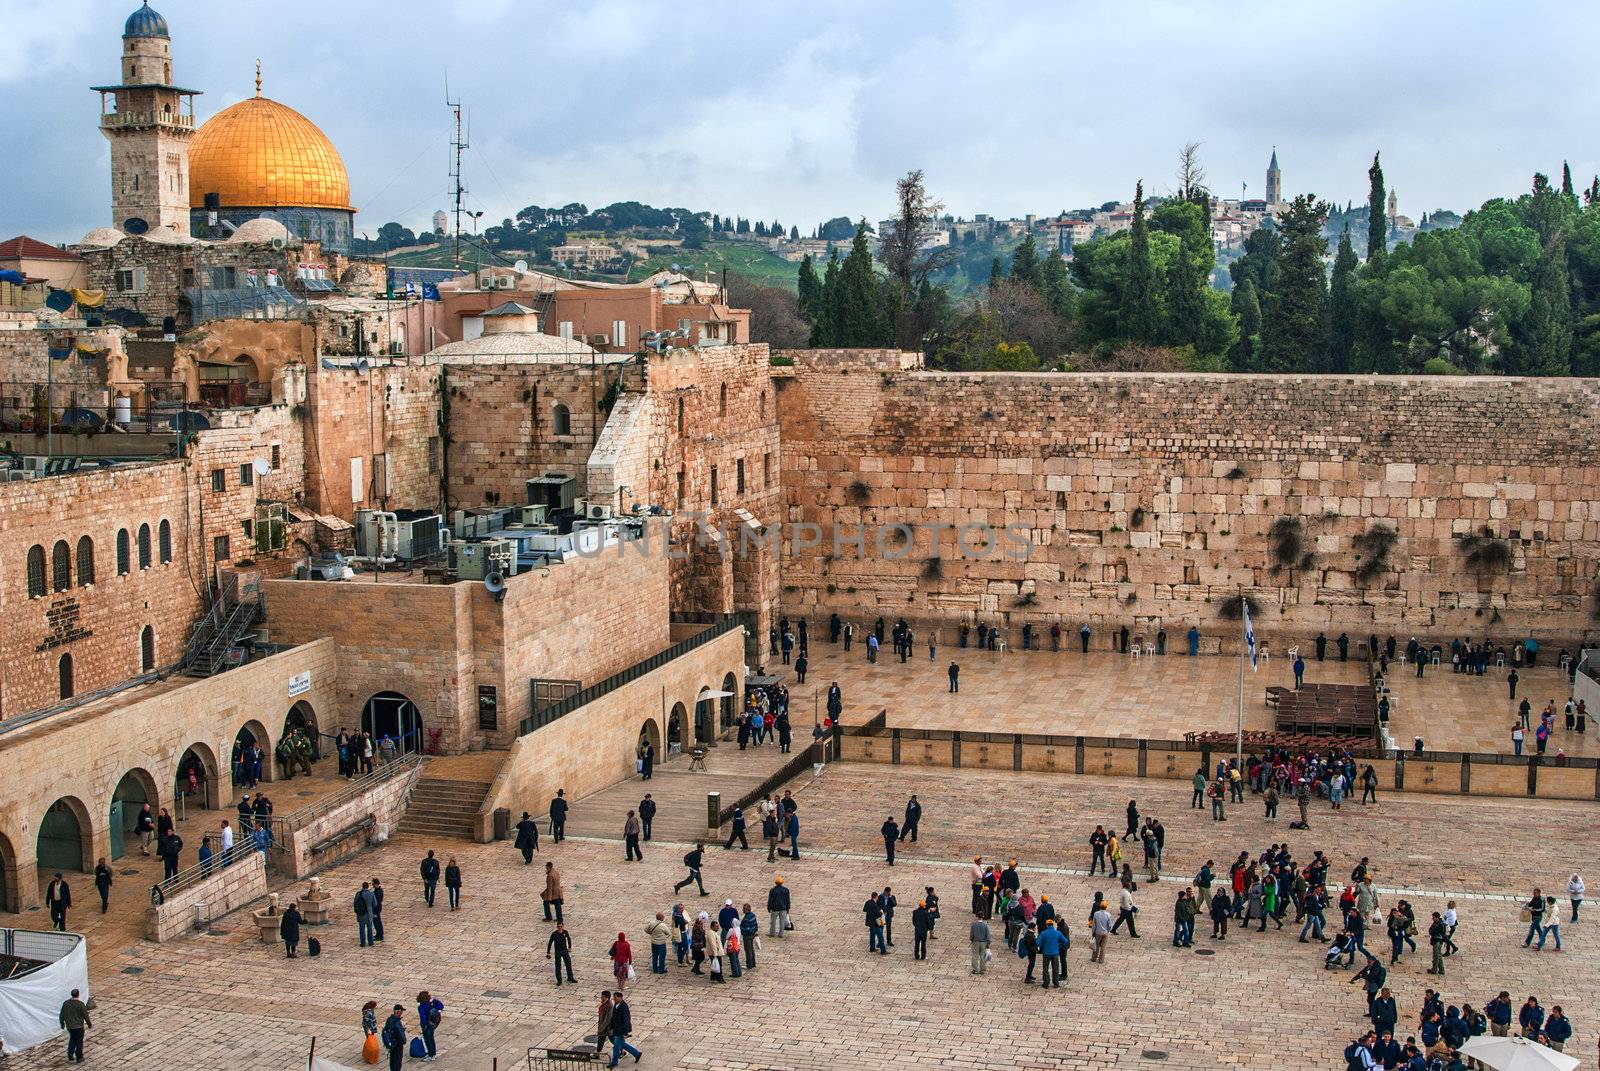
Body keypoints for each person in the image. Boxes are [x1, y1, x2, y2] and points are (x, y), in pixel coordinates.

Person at [607, 992, 641, 1067]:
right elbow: (614, 1017)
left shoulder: (623, 1007)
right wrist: (611, 1026)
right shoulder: (616, 1005)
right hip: (616, 1029)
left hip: (621, 1030)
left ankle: (614, 1062)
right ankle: (637, 1053)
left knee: (616, 1047)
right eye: (614, 998)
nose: (614, 999)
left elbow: (626, 1020)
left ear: (620, 998)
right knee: (622, 1044)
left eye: (615, 998)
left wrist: (625, 1033)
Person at [59, 988, 91, 1064]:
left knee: (72, 1039)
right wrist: (89, 1024)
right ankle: (79, 1057)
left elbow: (61, 1015)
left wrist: (62, 1024)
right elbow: (85, 1016)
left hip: (70, 1026)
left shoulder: (66, 1003)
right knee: (79, 1041)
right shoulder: (80, 1004)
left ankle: (70, 1054)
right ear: (78, 994)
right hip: (79, 1027)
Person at [1037, 918, 1067, 988]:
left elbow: (1038, 943)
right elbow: (1065, 941)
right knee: (1055, 969)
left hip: (1046, 953)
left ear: (1047, 925)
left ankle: (1046, 983)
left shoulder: (1043, 933)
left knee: (1045, 969)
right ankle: (1056, 983)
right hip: (1055, 953)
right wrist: (1058, 945)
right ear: (1053, 925)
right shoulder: (1058, 933)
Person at [415, 991, 443, 1063]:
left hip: (427, 1026)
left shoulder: (421, 1007)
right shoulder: (431, 1004)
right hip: (433, 1024)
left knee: (428, 1040)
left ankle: (431, 1055)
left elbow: (423, 1017)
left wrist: (424, 1026)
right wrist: (433, 1000)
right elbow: (440, 1005)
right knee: (431, 1039)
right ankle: (433, 1054)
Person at [381, 1004, 407, 1071]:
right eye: (401, 1011)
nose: (402, 1013)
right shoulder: (397, 1022)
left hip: (392, 1044)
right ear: (398, 1012)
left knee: (392, 1061)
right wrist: (402, 1031)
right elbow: (401, 1038)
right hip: (397, 1045)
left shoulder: (389, 1019)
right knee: (397, 1062)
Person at [354, 881, 377, 946]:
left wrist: (356, 912)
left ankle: (363, 943)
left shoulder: (358, 894)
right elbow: (375, 904)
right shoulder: (371, 894)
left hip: (361, 914)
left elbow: (355, 903)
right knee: (370, 928)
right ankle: (370, 942)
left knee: (362, 929)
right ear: (368, 887)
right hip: (369, 914)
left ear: (362, 886)